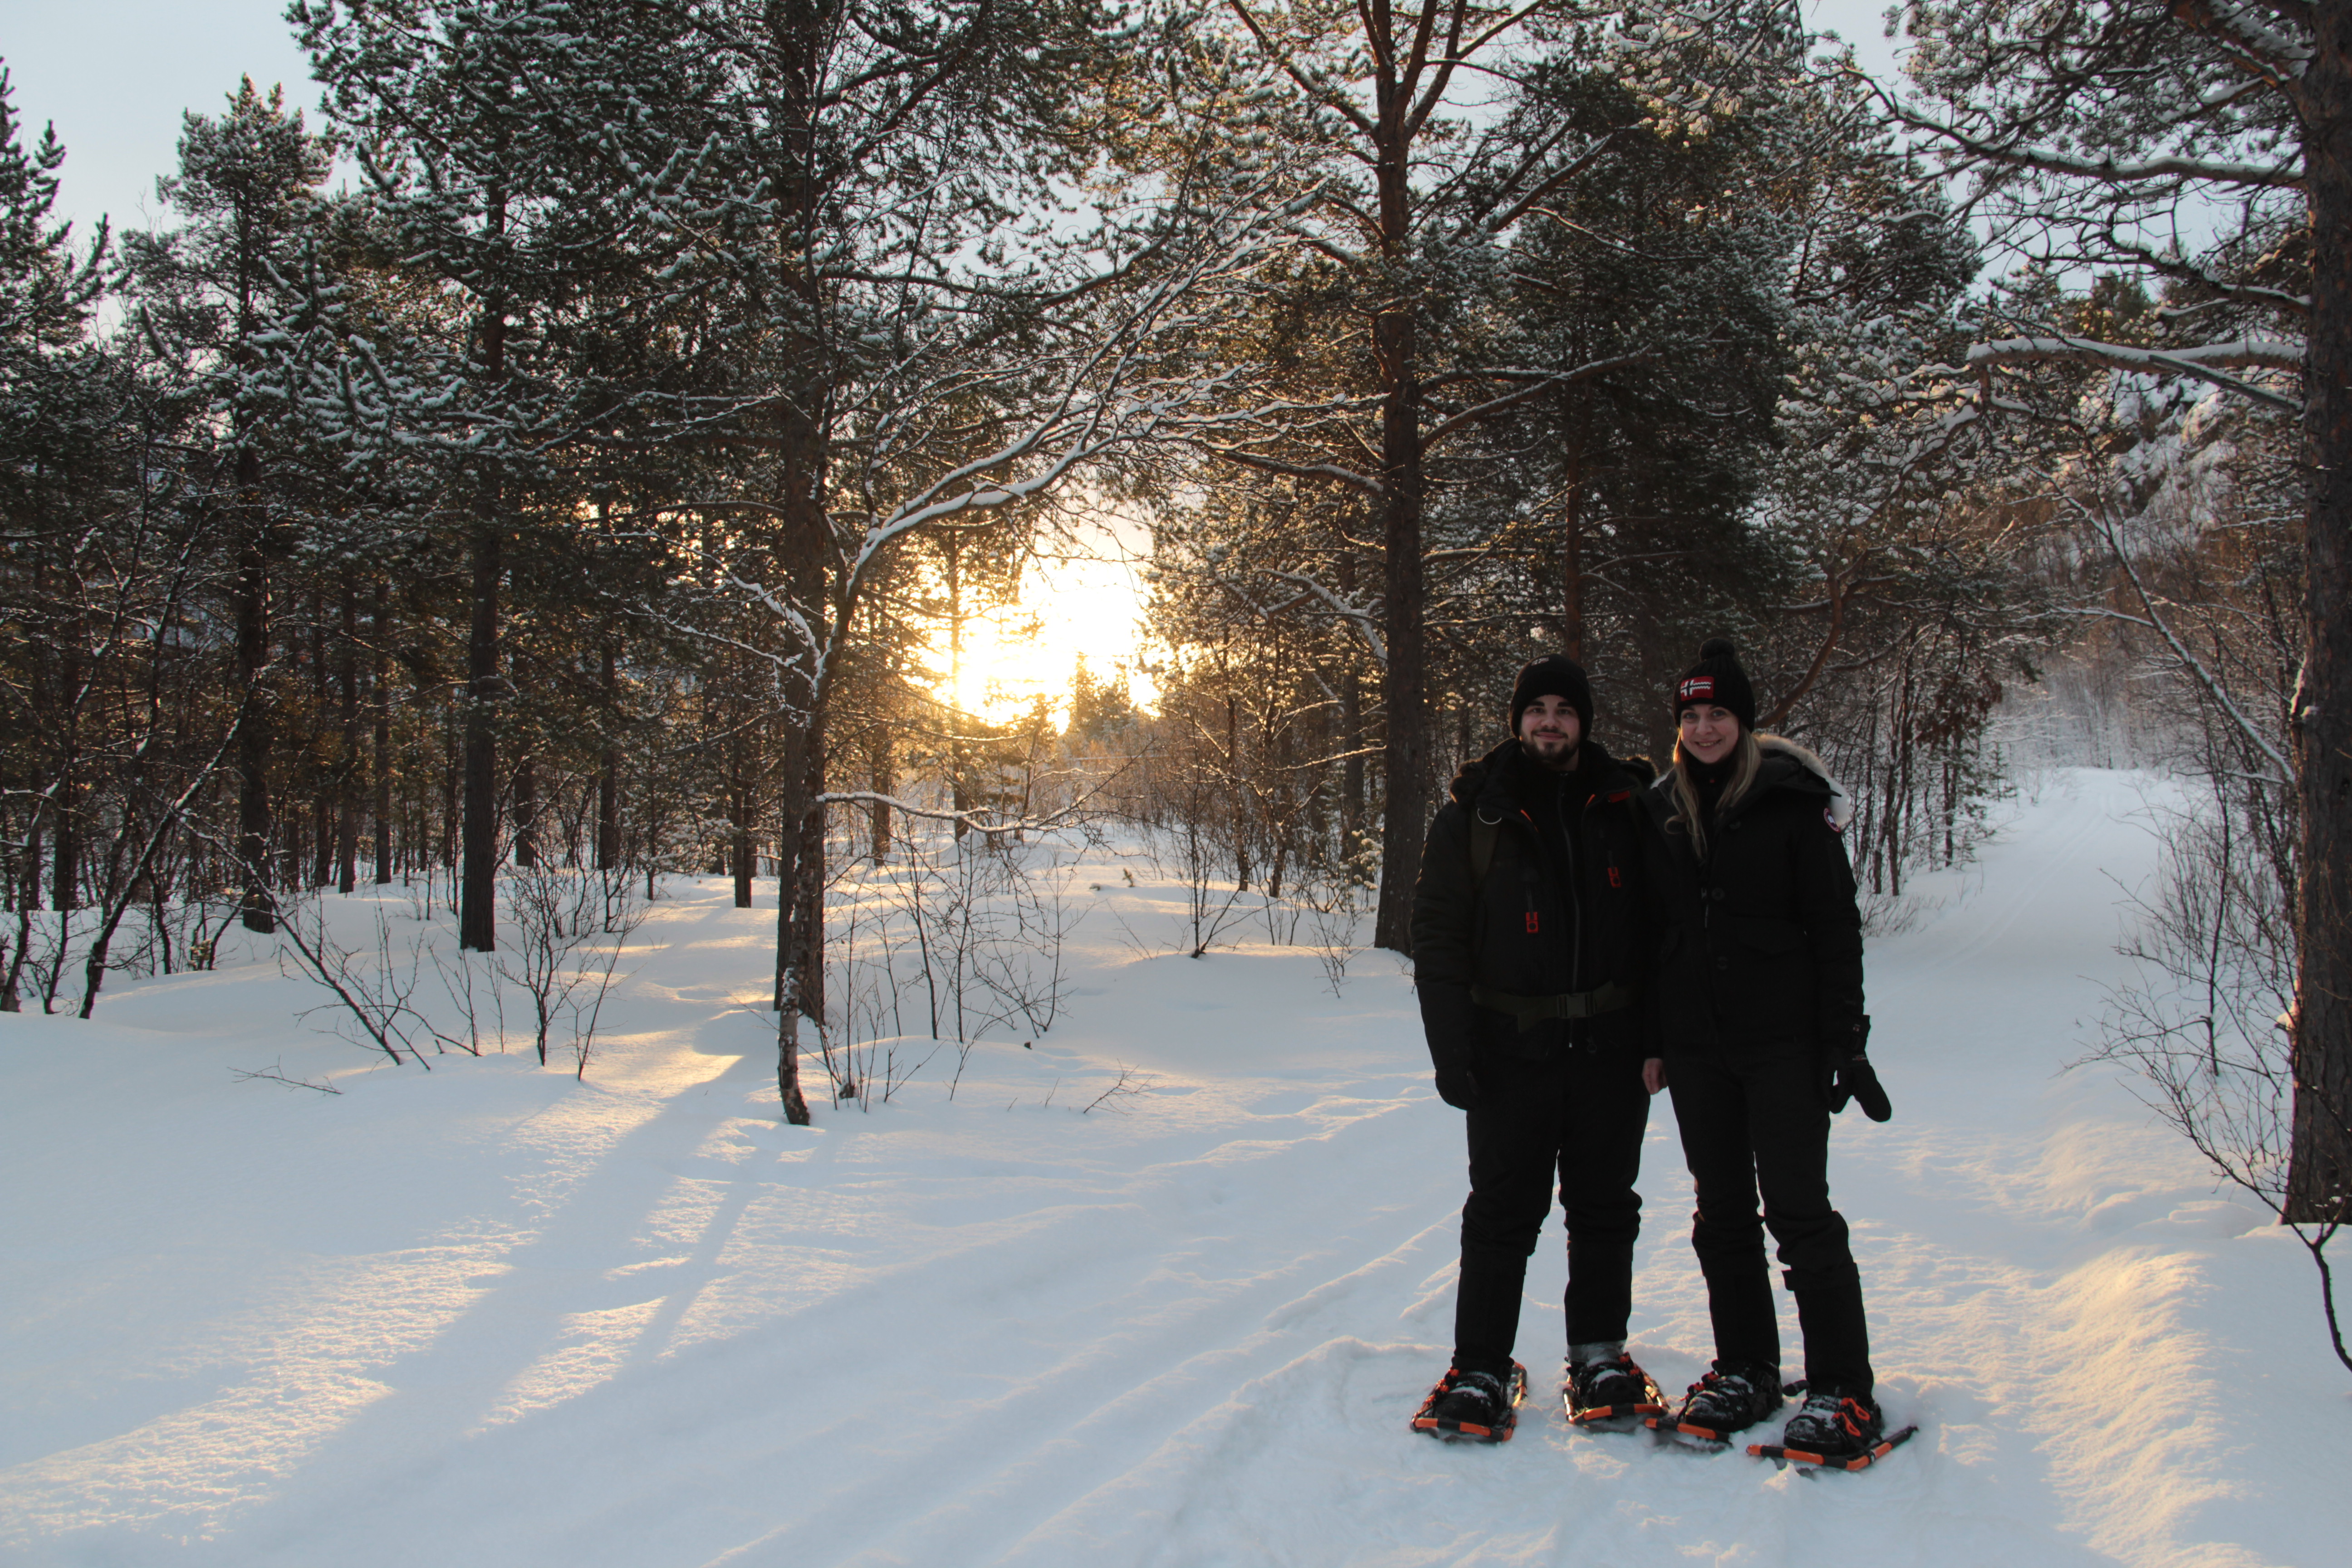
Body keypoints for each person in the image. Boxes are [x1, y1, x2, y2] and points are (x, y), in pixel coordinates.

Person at [1641, 637, 1893, 1459]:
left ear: (1744, 722)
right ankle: (1747, 1367)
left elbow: (1835, 930)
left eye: (1719, 714)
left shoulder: (1793, 802)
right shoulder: (1662, 809)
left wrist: (1846, 1041)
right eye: (1691, 716)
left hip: (1782, 1043)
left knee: (1797, 1211)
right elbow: (1651, 937)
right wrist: (1654, 1039)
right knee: (1721, 1214)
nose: (1704, 729)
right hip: (1697, 1049)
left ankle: (1841, 1388)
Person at [1408, 654, 1666, 1440]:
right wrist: (1452, 1051)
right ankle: (1481, 1365)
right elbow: (1439, 940)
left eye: (1564, 710)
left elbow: (1664, 930)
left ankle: (1599, 1355)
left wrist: (1660, 1038)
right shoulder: (1474, 816)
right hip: (1509, 1050)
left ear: (1584, 722)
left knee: (1604, 1207)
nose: (1550, 722)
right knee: (1501, 1211)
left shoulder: (1629, 805)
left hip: (1611, 1048)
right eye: (1537, 709)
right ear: (1518, 720)